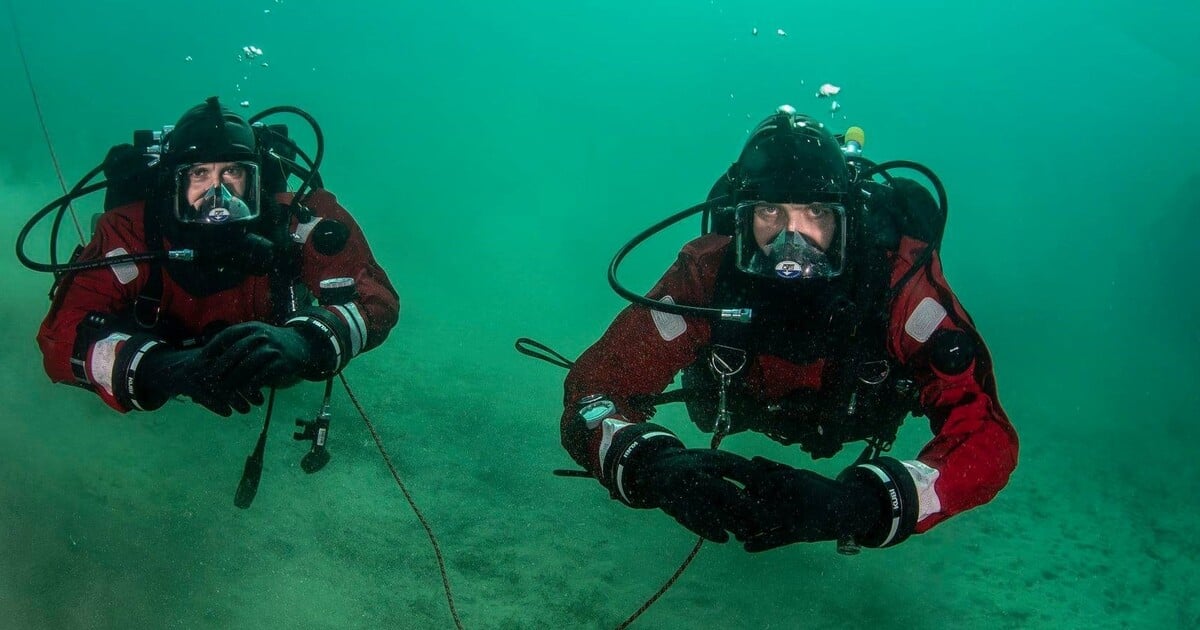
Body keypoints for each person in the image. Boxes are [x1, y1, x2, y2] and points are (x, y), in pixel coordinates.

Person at [559, 106, 1018, 552]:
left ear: (847, 219)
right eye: (769, 214)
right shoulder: (705, 279)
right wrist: (649, 463)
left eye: (816, 214)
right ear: (742, 218)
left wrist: (867, 503)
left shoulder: (899, 287)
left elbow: (987, 437)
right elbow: (594, 389)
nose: (790, 242)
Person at [36, 96, 399, 416]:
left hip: (277, 360)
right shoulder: (129, 234)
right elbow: (59, 339)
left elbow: (376, 299)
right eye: (199, 175)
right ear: (173, 184)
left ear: (256, 181)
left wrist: (303, 341)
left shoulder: (299, 221)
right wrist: (164, 370)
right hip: (159, 350)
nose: (219, 198)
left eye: (234, 174)